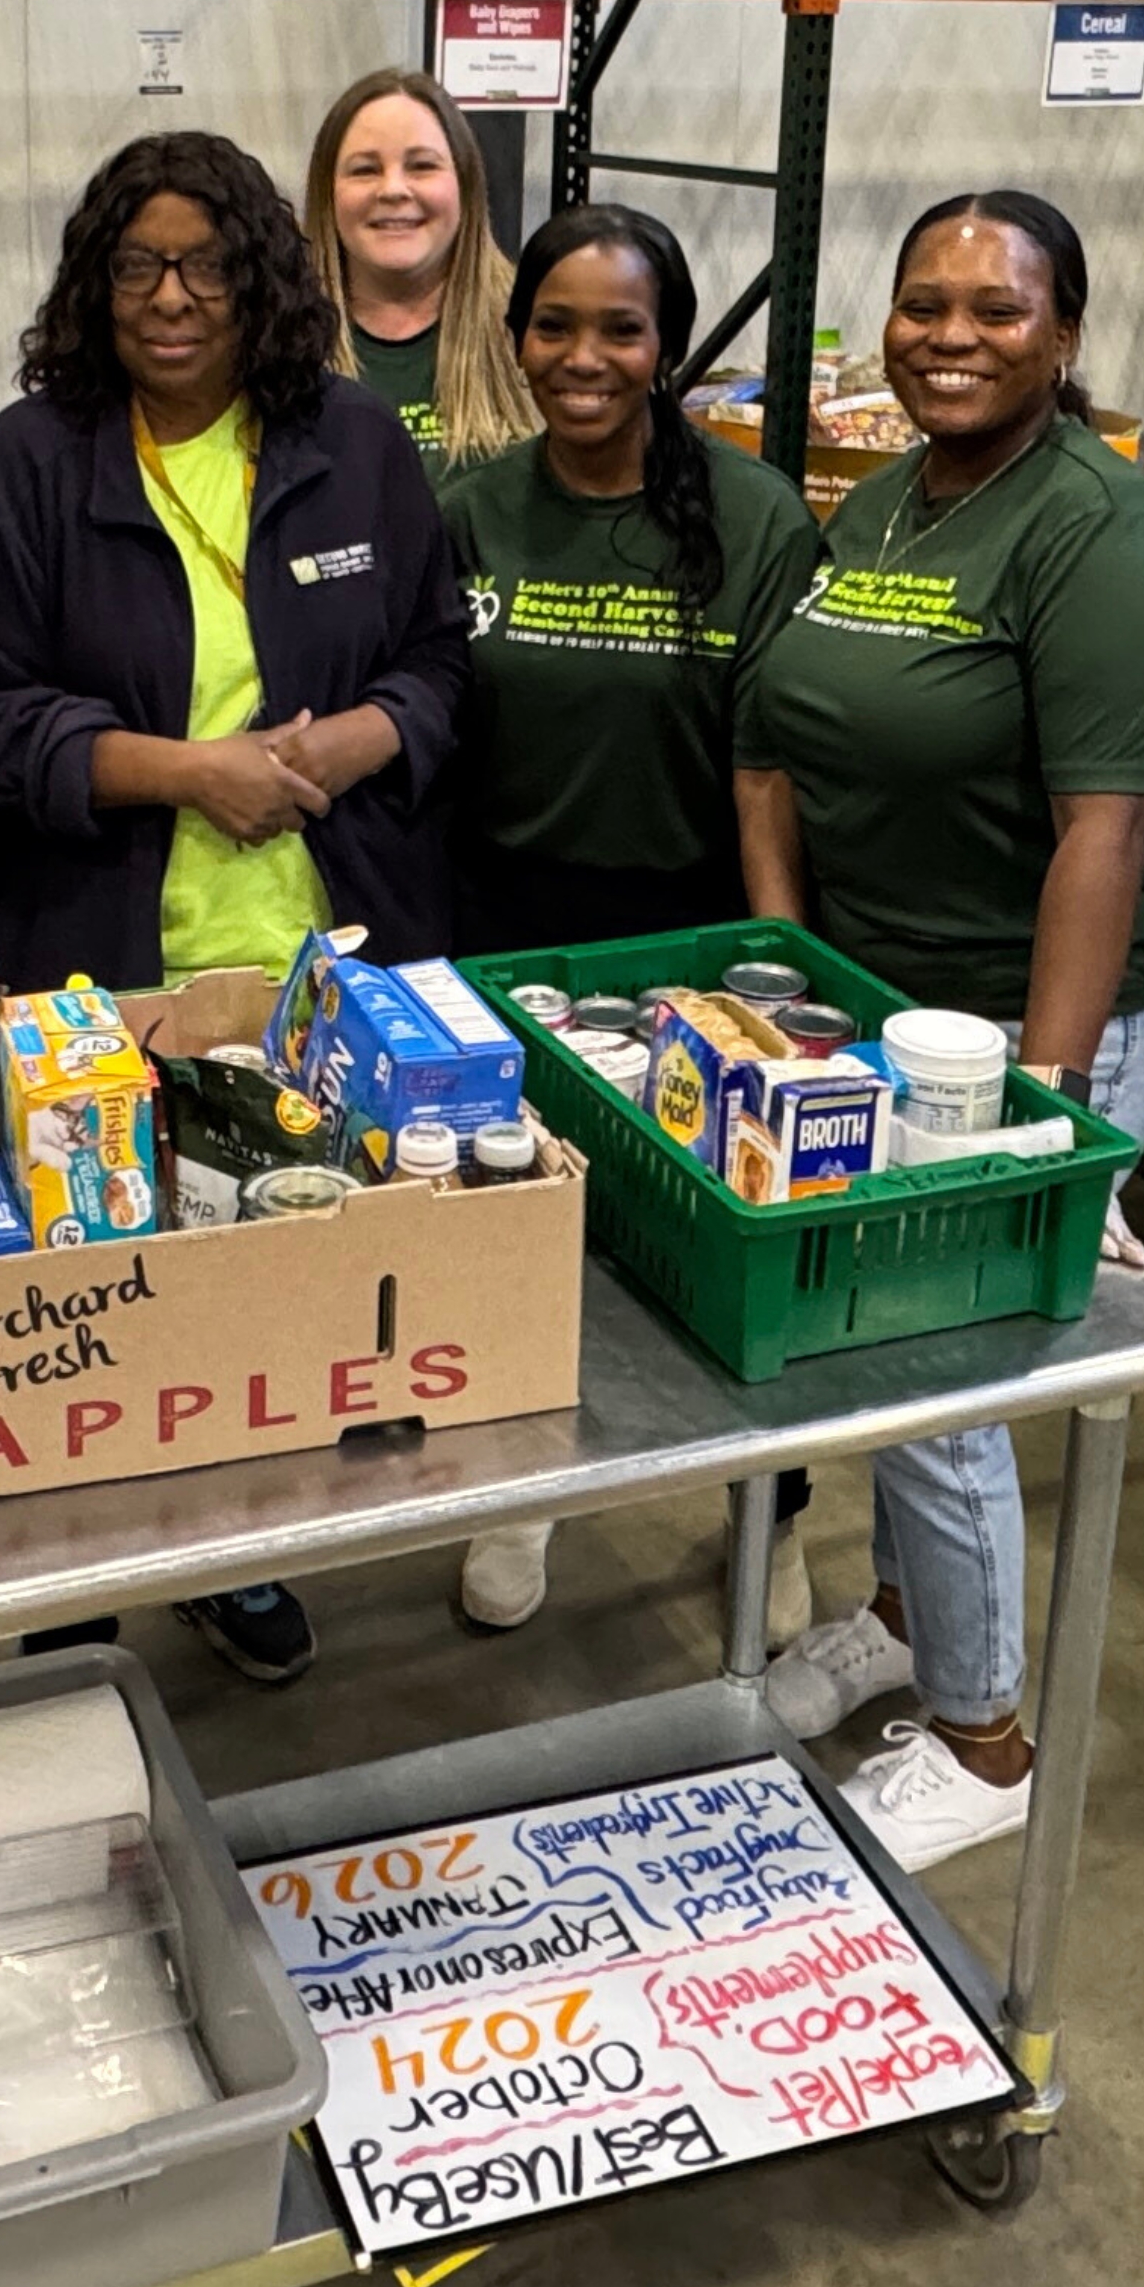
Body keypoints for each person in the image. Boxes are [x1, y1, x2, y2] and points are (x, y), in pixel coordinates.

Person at [0, 127, 468, 1687]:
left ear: (262, 283)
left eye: (209, 266)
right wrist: (184, 773)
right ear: (96, 285)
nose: (172, 298)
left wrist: (361, 738)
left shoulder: (355, 446)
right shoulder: (35, 462)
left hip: (320, 963)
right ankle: (73, 1591)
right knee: (93, 1280)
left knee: (271, 1285)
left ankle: (237, 1553)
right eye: (137, 265)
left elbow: (438, 662)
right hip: (99, 958)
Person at [741, 192, 1144, 1873]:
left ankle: (985, 1733)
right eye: (923, 301)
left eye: (996, 309)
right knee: (873, 1338)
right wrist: (792, 970)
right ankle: (899, 1611)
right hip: (878, 992)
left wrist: (1046, 1085)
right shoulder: (883, 502)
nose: (950, 332)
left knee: (939, 1360)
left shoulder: (1102, 534)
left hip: (1028, 1014)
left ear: (1068, 333)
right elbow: (788, 732)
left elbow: (1108, 827)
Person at [428, 207, 818, 1637]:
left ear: (666, 346)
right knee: (526, 1248)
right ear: (517, 335)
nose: (583, 358)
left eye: (621, 329)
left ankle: (768, 1513)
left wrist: (779, 970)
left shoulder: (756, 517)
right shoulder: (470, 511)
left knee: (723, 1268)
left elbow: (773, 767)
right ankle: (517, 1493)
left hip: (694, 949)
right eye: (555, 325)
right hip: (506, 943)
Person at [302, 64, 536, 466]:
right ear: (328, 193)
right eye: (365, 170)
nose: (393, 189)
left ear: (465, 185)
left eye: (422, 166)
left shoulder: (533, 323)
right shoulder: (278, 336)